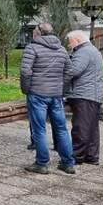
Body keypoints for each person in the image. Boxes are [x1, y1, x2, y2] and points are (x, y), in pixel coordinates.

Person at [21, 23, 75, 175]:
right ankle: (68, 163)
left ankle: (42, 163)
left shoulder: (32, 48)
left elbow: (25, 72)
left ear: (39, 32)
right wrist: (61, 88)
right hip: (56, 96)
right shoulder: (61, 49)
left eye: (34, 30)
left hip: (37, 94)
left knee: (39, 129)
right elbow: (69, 71)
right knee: (62, 129)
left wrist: (26, 89)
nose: (33, 33)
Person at [65, 30, 103, 166]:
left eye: (70, 41)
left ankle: (77, 156)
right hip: (93, 94)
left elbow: (73, 71)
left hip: (84, 95)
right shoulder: (93, 50)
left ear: (77, 40)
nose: (69, 45)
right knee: (92, 128)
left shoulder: (83, 52)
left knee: (80, 127)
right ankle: (91, 156)